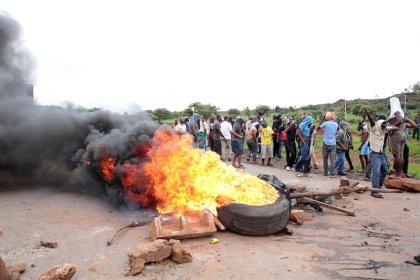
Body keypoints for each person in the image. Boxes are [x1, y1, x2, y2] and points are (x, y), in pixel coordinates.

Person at [363, 108, 388, 198]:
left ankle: (379, 186)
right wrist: (368, 113)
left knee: (385, 171)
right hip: (375, 154)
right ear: (379, 124)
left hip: (382, 154)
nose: (384, 126)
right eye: (383, 124)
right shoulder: (374, 129)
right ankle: (374, 190)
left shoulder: (384, 131)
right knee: (376, 171)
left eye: (385, 124)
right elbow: (372, 122)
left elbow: (393, 127)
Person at [387, 97, 405, 178]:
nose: (388, 104)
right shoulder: (400, 111)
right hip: (402, 134)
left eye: (389, 102)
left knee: (396, 155)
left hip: (396, 134)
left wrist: (391, 128)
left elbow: (400, 121)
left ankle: (397, 174)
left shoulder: (396, 111)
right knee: (400, 155)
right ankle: (399, 172)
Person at [318, 112, 338, 177]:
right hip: (333, 143)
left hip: (325, 143)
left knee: (325, 158)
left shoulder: (325, 123)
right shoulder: (336, 124)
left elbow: (318, 128)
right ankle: (332, 173)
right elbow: (336, 131)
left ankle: (326, 173)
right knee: (333, 159)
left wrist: (322, 119)